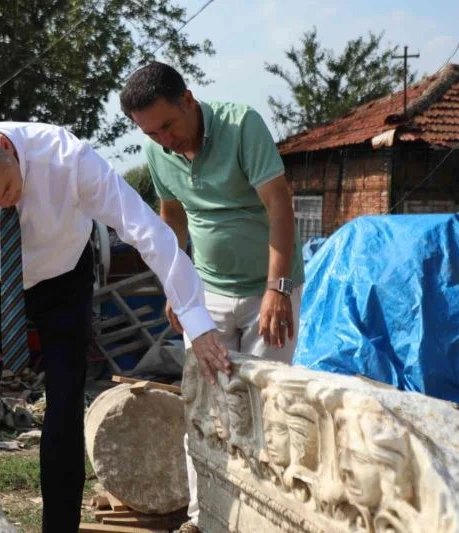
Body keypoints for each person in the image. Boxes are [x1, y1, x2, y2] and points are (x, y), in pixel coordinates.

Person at [0, 122, 229, 533]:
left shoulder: (70, 161)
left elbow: (145, 230)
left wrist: (196, 319)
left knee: (65, 398)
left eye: (6, 189)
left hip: (63, 276)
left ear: (6, 148)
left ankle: (59, 527)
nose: (5, 203)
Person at [120, 61, 305, 533]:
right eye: (151, 133)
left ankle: (261, 521)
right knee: (205, 409)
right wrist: (177, 286)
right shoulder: (158, 149)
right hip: (207, 294)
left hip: (268, 292)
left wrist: (278, 288)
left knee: (263, 410)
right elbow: (172, 216)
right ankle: (203, 521)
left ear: (188, 99)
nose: (164, 140)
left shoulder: (241, 126)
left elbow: (279, 203)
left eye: (168, 126)